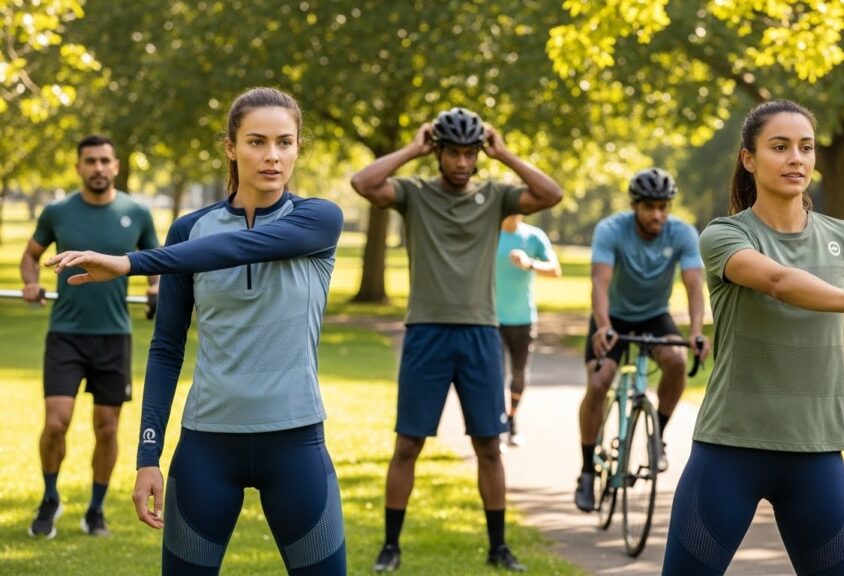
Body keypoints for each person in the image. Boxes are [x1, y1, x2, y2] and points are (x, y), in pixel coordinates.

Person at [46, 87, 346, 575]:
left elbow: (238, 249)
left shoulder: (318, 220)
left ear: (297, 147)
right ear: (230, 146)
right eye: (256, 141)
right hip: (207, 447)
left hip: (296, 444)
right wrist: (148, 455)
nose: (272, 156)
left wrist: (129, 263)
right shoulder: (189, 231)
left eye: (285, 142)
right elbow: (166, 349)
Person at [661, 99, 844, 575]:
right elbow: (779, 282)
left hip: (817, 456)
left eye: (805, 147)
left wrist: (832, 405)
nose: (796, 159)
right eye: (779, 147)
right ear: (749, 159)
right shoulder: (724, 235)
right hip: (730, 450)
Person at [351, 106, 562, 572]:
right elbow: (363, 184)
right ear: (439, 152)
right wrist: (412, 147)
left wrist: (504, 153)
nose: (462, 163)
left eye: (470, 154)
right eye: (453, 153)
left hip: (481, 335)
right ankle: (391, 546)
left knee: (489, 444)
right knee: (408, 444)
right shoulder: (414, 193)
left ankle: (498, 547)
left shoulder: (497, 197)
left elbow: (551, 194)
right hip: (425, 332)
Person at [22, 135, 159, 539]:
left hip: (114, 337)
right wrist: (30, 283)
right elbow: (30, 255)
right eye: (90, 162)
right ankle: (50, 498)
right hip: (66, 334)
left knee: (107, 429)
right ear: (79, 167)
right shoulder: (57, 212)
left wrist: (155, 288)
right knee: (56, 424)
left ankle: (95, 511)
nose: (98, 168)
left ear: (115, 166)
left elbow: (153, 260)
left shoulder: (136, 212)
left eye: (104, 161)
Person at [573, 167, 709, 512]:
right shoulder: (611, 230)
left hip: (653, 315)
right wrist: (603, 326)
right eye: (649, 207)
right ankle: (587, 470)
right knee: (600, 381)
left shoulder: (681, 233)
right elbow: (600, 283)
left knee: (676, 362)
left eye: (663, 206)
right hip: (612, 316)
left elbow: (694, 285)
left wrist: (696, 331)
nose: (657, 214)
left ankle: (656, 437)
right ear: (635, 206)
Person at [496, 214, 561, 447]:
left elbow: (555, 269)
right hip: (490, 319)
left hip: (523, 319)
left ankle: (512, 421)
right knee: (495, 375)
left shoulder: (534, 236)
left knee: (519, 374)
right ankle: (498, 426)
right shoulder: (490, 233)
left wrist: (529, 263)